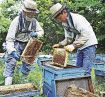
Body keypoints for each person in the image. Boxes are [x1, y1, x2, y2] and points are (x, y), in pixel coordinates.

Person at [3, 0, 44, 85]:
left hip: (28, 44)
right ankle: (7, 87)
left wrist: (36, 34)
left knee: (27, 64)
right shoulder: (16, 21)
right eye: (29, 13)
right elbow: (9, 39)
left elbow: (41, 32)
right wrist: (12, 51)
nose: (31, 15)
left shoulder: (34, 21)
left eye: (32, 13)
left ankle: (23, 84)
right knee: (11, 63)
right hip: (16, 43)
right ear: (24, 12)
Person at [50, 3, 98, 74]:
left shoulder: (77, 18)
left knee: (86, 71)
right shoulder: (65, 23)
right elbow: (69, 38)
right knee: (77, 70)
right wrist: (60, 44)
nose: (59, 21)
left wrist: (73, 45)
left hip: (89, 44)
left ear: (64, 12)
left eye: (60, 18)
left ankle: (85, 85)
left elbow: (86, 34)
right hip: (80, 46)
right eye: (58, 19)